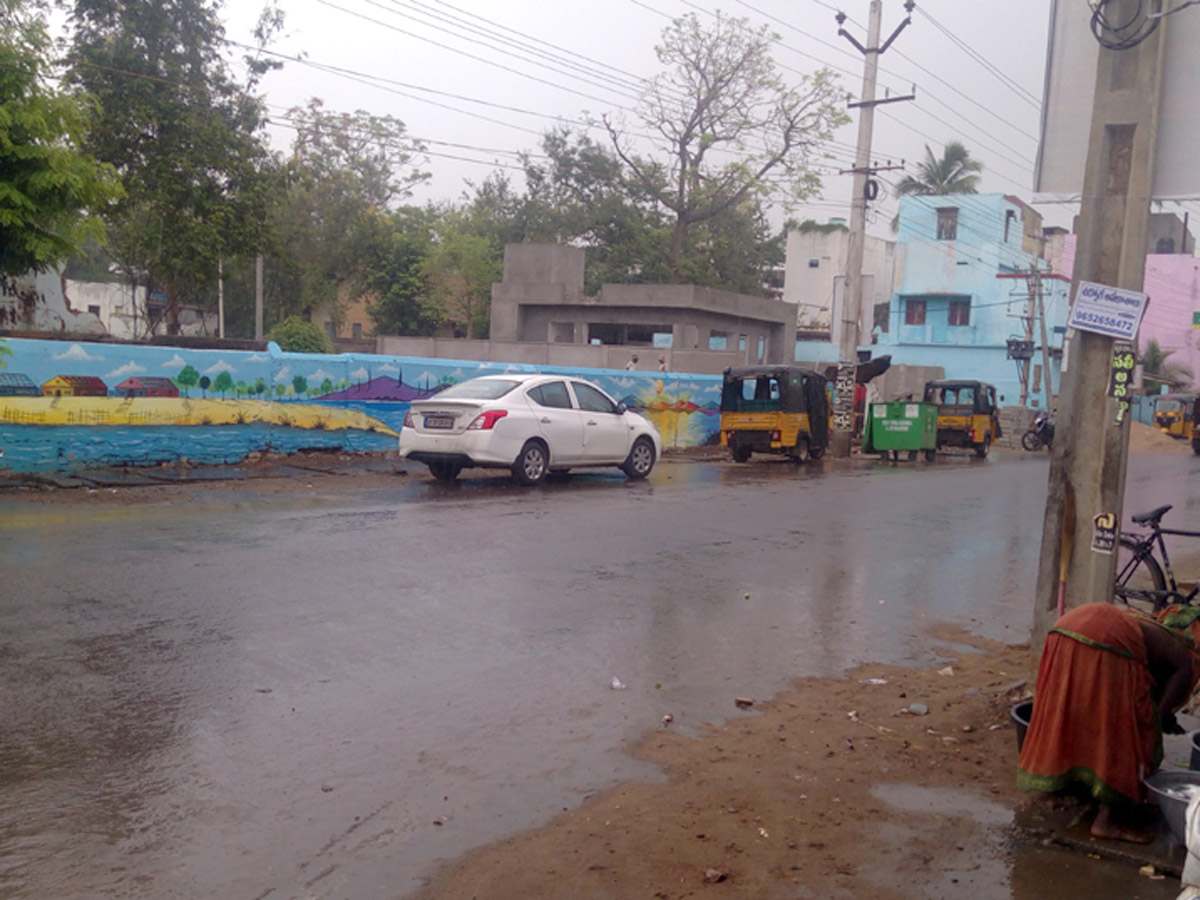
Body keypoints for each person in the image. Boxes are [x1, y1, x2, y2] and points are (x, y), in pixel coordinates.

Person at [1017, 602, 1200, 842]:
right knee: (1130, 734)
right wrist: (1158, 729)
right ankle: (1109, 820)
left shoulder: (1154, 632)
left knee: (1081, 715)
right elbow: (1157, 717)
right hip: (1107, 638)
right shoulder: (1186, 662)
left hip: (1066, 629)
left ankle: (1076, 785)